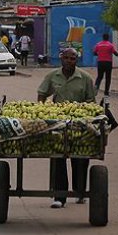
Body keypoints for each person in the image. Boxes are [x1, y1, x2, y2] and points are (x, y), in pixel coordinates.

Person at [38, 48, 96, 208]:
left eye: (73, 58)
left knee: (80, 157)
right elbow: (42, 93)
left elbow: (91, 101)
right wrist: (40, 111)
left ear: (76, 61)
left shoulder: (85, 78)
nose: (69, 61)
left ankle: (80, 191)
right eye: (67, 58)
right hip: (57, 122)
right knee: (58, 157)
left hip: (79, 122)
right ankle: (59, 196)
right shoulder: (52, 76)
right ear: (61, 58)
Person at [92, 33, 118, 98]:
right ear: (108, 38)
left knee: (99, 77)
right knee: (108, 78)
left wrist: (99, 55)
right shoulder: (110, 45)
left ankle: (95, 90)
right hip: (108, 63)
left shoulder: (98, 45)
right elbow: (115, 53)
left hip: (100, 62)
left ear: (103, 37)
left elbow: (94, 53)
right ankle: (106, 92)